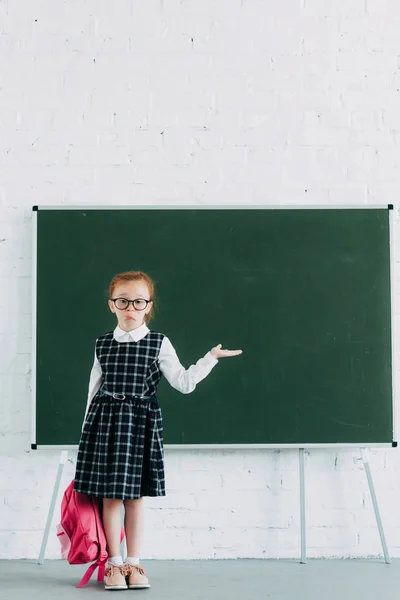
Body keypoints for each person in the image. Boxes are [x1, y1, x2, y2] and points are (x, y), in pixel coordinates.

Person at [73, 270, 243, 590]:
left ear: (148, 306)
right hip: (105, 424)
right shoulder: (103, 344)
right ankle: (114, 564)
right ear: (112, 304)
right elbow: (92, 391)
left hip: (140, 424)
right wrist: (86, 435)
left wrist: (210, 358)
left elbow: (184, 383)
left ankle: (134, 564)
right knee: (111, 498)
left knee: (134, 498)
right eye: (123, 300)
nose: (130, 307)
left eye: (138, 301)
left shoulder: (158, 342)